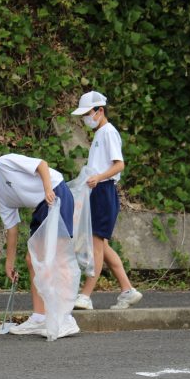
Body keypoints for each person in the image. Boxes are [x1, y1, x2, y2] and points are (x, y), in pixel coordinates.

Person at [0, 154, 76, 334]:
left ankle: (66, 319)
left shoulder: (3, 163)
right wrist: (9, 263)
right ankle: (39, 318)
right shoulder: (2, 198)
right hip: (41, 208)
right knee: (32, 260)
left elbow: (42, 164)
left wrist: (47, 190)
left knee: (58, 257)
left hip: (56, 193)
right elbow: (12, 230)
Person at [70, 91, 143, 310]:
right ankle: (127, 290)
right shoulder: (101, 133)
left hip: (103, 191)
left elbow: (119, 164)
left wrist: (99, 177)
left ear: (100, 111)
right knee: (102, 246)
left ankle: (85, 295)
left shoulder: (108, 132)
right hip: (98, 191)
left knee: (96, 246)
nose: (85, 119)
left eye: (87, 113)